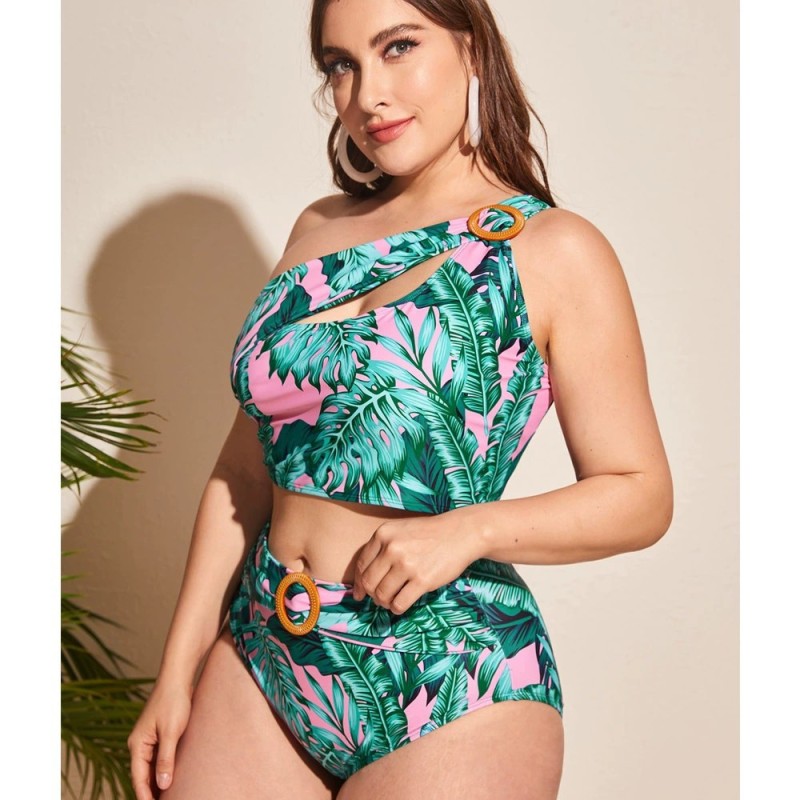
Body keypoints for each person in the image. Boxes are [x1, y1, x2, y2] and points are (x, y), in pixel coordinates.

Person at [127, 1, 673, 798]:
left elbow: (640, 493)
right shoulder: (316, 230)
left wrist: (469, 530)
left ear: (473, 48)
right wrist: (176, 673)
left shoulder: (555, 250)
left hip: (452, 679)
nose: (368, 94)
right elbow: (245, 474)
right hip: (263, 649)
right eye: (340, 65)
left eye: (398, 48)